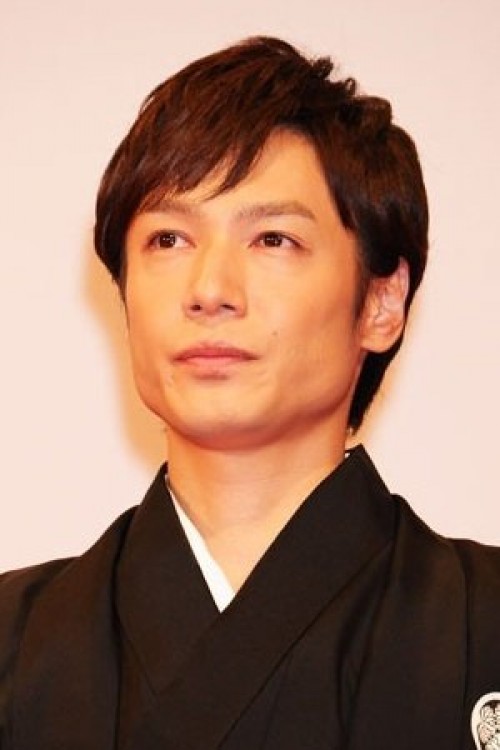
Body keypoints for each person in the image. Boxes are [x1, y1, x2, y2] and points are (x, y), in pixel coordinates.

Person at [0, 36, 499, 750]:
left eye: (272, 240)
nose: (209, 290)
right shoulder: (15, 645)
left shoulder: (482, 626)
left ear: (380, 302)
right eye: (168, 240)